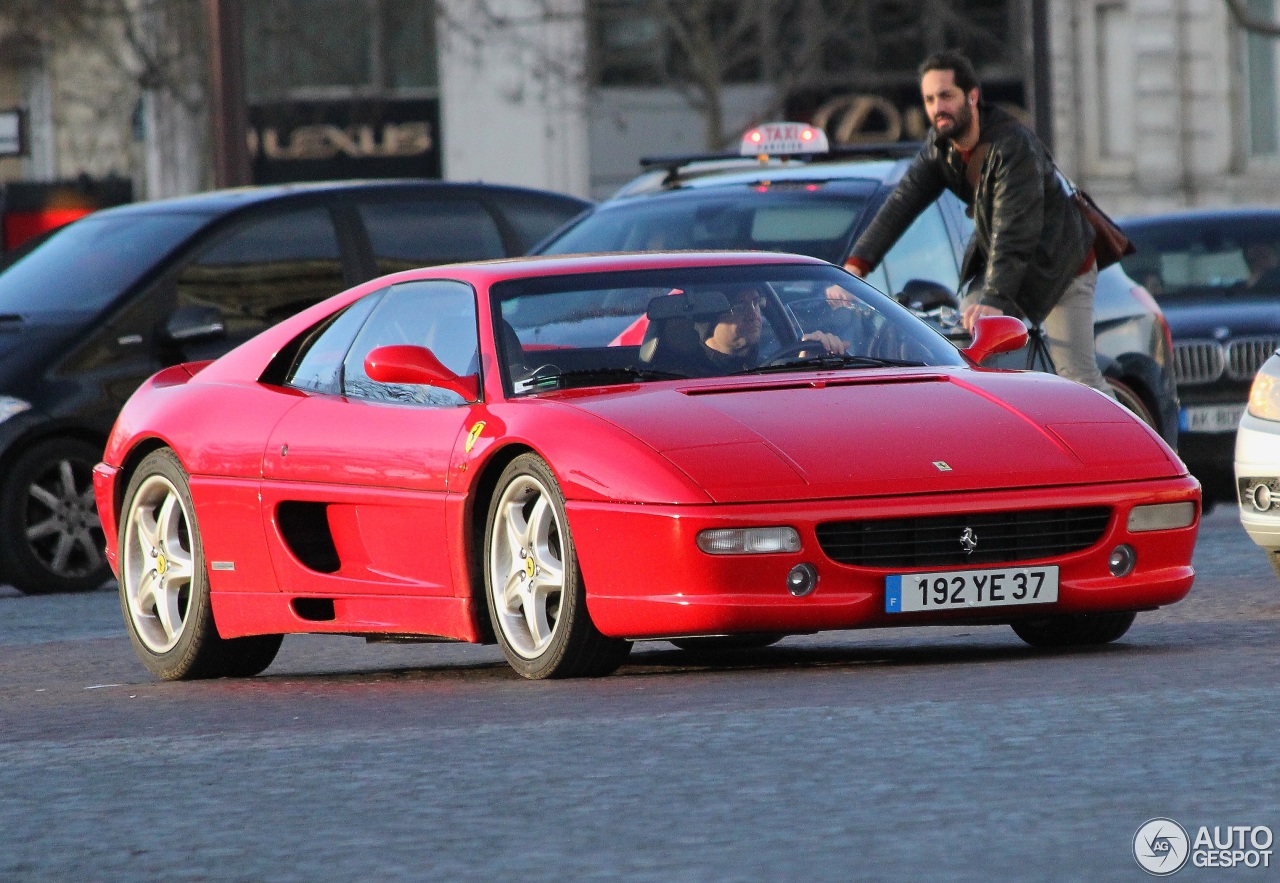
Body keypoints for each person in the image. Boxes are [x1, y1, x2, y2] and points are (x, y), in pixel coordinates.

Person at [844, 49, 1111, 395]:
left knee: (1079, 379)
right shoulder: (940, 148)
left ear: (972, 97)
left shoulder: (1012, 145)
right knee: (972, 352)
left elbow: (1015, 230)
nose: (937, 108)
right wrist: (856, 265)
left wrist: (995, 298)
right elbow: (901, 203)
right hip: (1008, 266)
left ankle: (1139, 439)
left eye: (945, 95)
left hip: (1060, 265)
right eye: (928, 99)